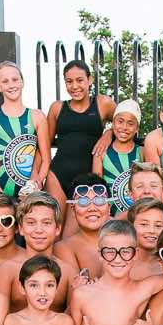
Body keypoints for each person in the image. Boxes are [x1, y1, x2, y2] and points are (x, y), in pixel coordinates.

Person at [45, 59, 116, 215]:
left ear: (90, 80)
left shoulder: (103, 103)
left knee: (76, 233)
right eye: (69, 81)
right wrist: (39, 175)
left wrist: (109, 133)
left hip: (87, 179)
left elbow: (125, 124)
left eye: (80, 80)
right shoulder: (57, 107)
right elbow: (45, 144)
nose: (74, 86)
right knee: (52, 227)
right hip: (57, 175)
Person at [0, 192, 77, 313]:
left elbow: (75, 321)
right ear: (20, 228)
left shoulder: (68, 273)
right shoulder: (6, 271)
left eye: (46, 223)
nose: (39, 230)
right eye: (31, 223)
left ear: (57, 228)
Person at [0, 61, 50, 199]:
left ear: (22, 82)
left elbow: (46, 159)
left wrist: (36, 185)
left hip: (29, 194)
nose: (11, 85)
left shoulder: (37, 116)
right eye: (5, 81)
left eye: (15, 79)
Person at [54, 174, 111, 277]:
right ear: (73, 209)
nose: (92, 208)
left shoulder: (126, 239)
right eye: (83, 202)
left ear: (109, 207)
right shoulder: (64, 248)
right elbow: (76, 290)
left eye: (99, 201)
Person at [94, 100, 143, 214]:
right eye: (120, 121)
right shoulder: (102, 152)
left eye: (130, 123)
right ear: (113, 123)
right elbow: (97, 189)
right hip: (111, 218)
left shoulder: (141, 151)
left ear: (137, 128)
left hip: (136, 215)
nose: (124, 127)